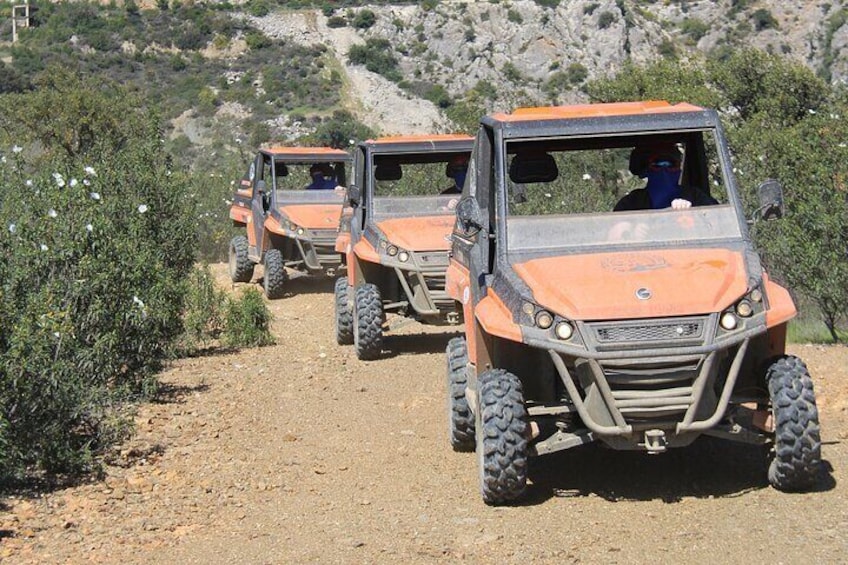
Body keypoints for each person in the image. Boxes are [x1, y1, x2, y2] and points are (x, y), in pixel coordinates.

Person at [614, 144, 717, 211]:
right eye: (657, 165)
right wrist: (633, 230)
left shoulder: (695, 197)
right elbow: (613, 233)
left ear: (678, 168)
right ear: (645, 170)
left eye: (671, 164)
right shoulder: (632, 203)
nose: (664, 171)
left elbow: (717, 223)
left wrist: (691, 214)